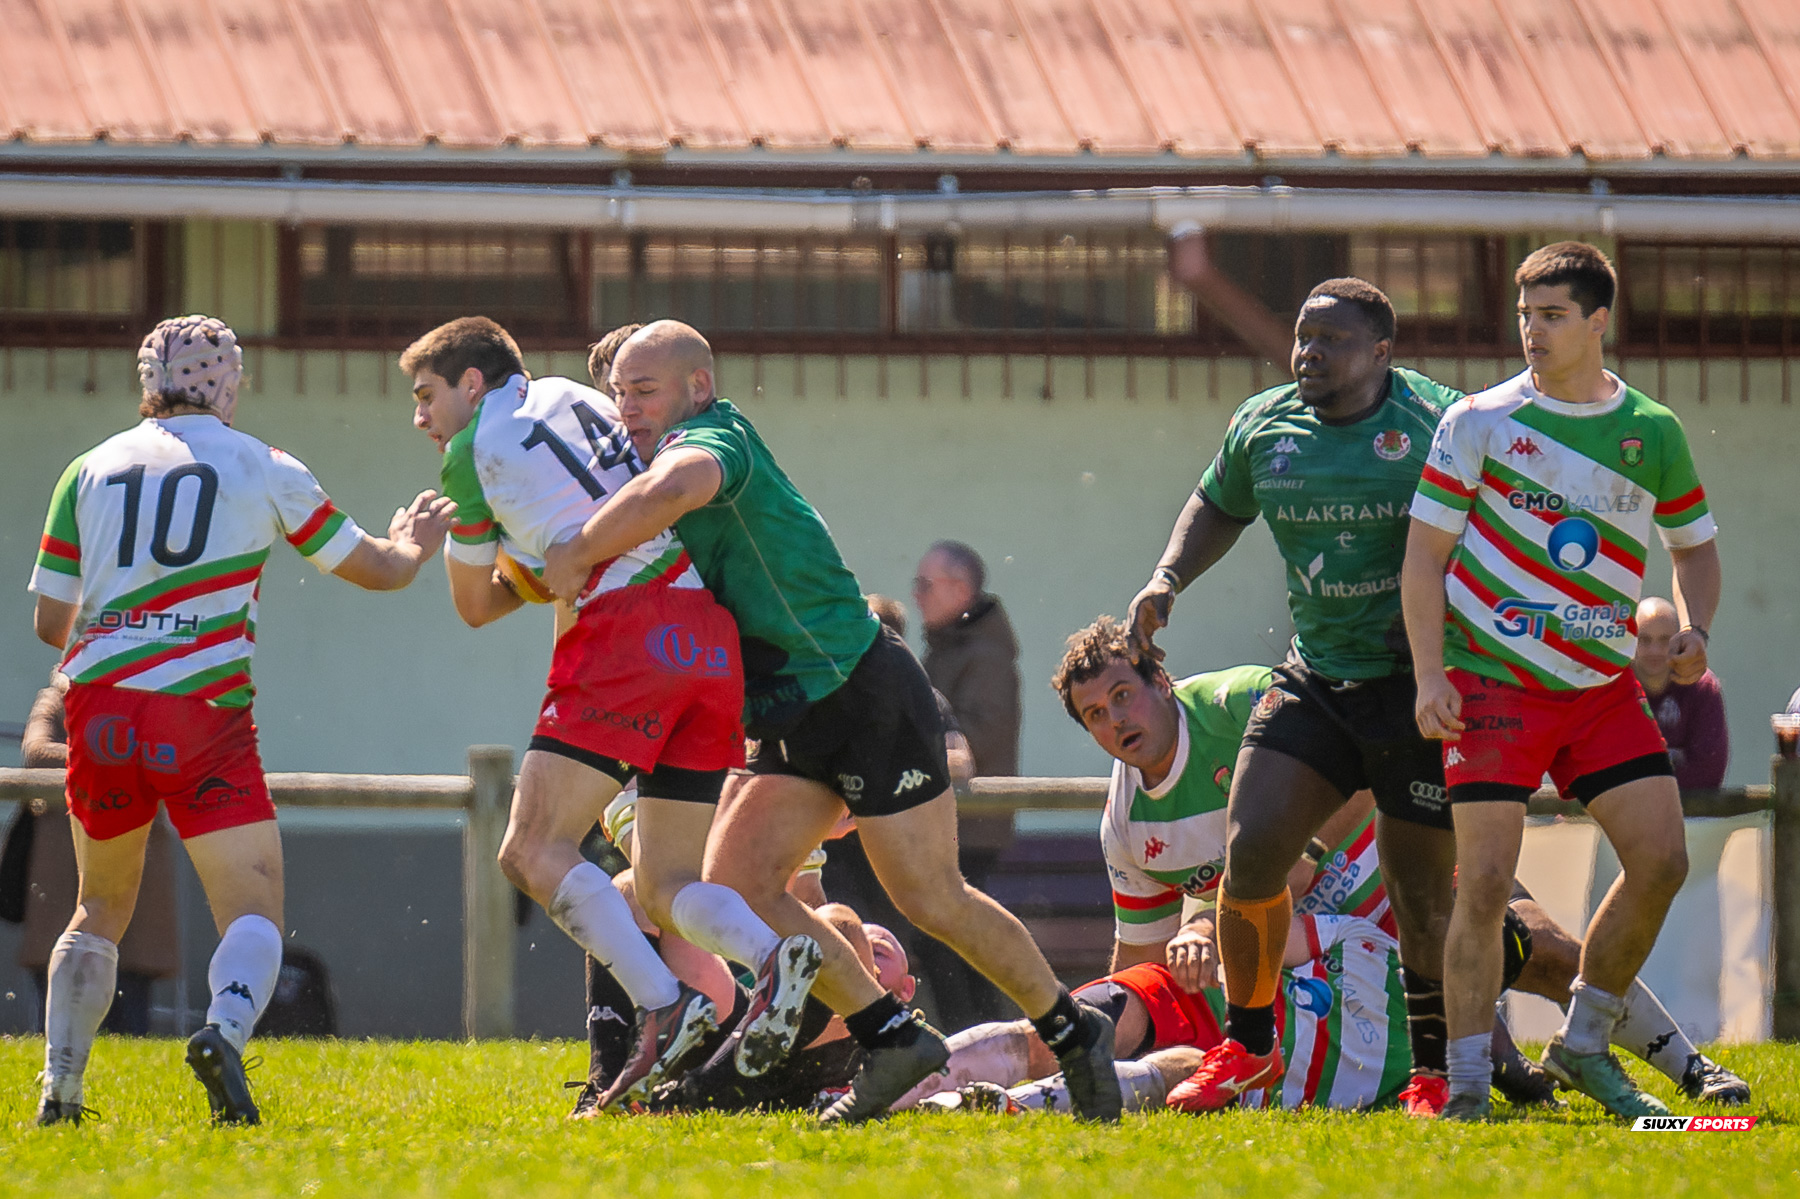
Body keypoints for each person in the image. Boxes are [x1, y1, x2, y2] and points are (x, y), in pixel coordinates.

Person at [541, 320, 1122, 1123]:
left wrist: (573, 550)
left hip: (862, 691)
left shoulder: (715, 437)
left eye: (645, 392)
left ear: (697, 387)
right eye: (619, 395)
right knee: (736, 886)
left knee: (931, 898)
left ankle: (1075, 1030)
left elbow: (674, 490)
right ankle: (890, 1036)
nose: (628, 408)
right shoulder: (641, 462)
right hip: (786, 714)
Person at [27, 314, 455, 1126]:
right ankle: (222, 1032)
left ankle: (62, 1089)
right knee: (253, 910)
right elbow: (374, 569)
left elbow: (54, 622)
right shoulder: (264, 464)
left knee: (98, 908)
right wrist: (413, 542)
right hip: (202, 714)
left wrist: (131, 617)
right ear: (227, 383)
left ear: (147, 380)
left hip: (104, 705)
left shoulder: (87, 467)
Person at [404, 316, 821, 1112]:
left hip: (625, 636)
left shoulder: (469, 456)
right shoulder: (570, 392)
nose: (420, 418)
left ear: (471, 384)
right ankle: (772, 956)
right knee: (666, 883)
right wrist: (552, 565)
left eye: (427, 397)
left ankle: (665, 1003)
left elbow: (475, 605)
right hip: (705, 632)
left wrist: (428, 544)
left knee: (529, 848)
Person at [1125, 279, 1463, 1115]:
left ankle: (1434, 1070)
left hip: (1414, 688)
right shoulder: (1264, 424)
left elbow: (1500, 532)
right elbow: (1216, 503)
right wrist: (1166, 580)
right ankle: (1248, 1046)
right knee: (1251, 850)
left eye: (1331, 341)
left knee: (1423, 896)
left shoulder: (1442, 425)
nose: (1307, 354)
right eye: (1301, 338)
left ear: (1382, 351)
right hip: (1315, 674)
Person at [1403, 241, 1723, 1121]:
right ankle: (1467, 1086)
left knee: (1662, 860)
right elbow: (1423, 558)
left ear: (1596, 322)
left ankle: (1583, 1041)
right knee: (1485, 881)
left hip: (1597, 688)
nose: (1531, 332)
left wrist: (1696, 629)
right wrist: (1431, 673)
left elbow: (1693, 545)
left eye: (1550, 316)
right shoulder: (1478, 420)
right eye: (1523, 315)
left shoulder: (1652, 431)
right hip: (1493, 686)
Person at [16, 671, 179, 1036]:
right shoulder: (58, 700)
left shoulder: (150, 695)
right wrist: (113, 756)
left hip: (136, 854)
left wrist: (96, 759)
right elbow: (37, 754)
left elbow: (168, 755)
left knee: (130, 1002)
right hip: (64, 864)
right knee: (61, 989)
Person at [1633, 596, 1729, 790]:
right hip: (1614, 816)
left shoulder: (1702, 687)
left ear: (1678, 641)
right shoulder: (1611, 685)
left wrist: (1635, 771)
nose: (1655, 650)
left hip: (1690, 817)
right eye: (1644, 640)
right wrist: (1674, 757)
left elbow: (1709, 772)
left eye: (1664, 640)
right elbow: (1592, 769)